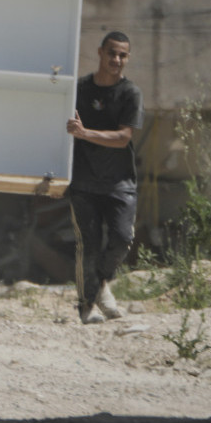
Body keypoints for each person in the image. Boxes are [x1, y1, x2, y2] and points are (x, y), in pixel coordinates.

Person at [65, 31, 143, 325]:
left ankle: (101, 283)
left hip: (119, 182)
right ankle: (86, 308)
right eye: (112, 53)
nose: (116, 60)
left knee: (123, 238)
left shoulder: (130, 94)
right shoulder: (80, 89)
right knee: (88, 245)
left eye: (122, 55)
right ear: (100, 53)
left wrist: (85, 133)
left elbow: (124, 137)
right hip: (83, 182)